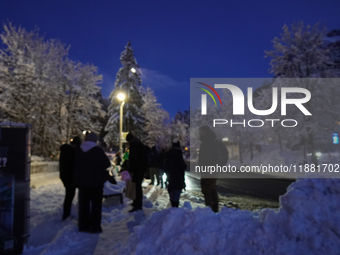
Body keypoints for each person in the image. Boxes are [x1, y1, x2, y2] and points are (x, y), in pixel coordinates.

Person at [74, 131, 116, 233]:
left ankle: (83, 226)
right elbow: (106, 165)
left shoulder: (78, 150)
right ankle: (95, 227)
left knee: (83, 205)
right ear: (95, 141)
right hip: (96, 183)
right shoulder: (98, 151)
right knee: (96, 206)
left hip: (82, 183)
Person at [59, 136, 81, 220]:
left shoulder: (65, 150)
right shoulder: (71, 152)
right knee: (69, 195)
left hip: (65, 176)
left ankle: (66, 213)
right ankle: (66, 214)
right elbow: (73, 165)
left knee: (69, 195)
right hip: (69, 177)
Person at [198, 126, 220, 213]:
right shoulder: (213, 142)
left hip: (208, 171)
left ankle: (210, 211)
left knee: (207, 191)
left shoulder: (206, 143)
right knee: (212, 189)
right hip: (213, 170)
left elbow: (205, 159)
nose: (199, 133)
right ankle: (215, 210)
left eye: (201, 132)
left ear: (205, 132)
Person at [126, 133, 148, 212]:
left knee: (137, 187)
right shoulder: (138, 144)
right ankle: (136, 202)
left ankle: (138, 204)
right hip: (140, 169)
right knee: (137, 186)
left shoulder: (134, 145)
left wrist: (131, 169)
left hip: (137, 169)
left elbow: (133, 159)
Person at [164, 139, 187, 208]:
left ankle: (172, 205)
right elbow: (183, 166)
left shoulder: (168, 154)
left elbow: (165, 165)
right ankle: (175, 207)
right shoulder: (179, 154)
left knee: (172, 190)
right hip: (178, 177)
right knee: (177, 192)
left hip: (170, 176)